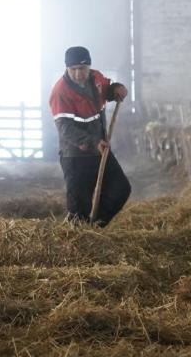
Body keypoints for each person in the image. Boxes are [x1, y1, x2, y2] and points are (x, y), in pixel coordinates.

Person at [49, 46, 131, 226]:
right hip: (76, 155)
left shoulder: (96, 78)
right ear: (67, 68)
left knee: (121, 189)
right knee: (79, 208)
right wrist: (93, 142)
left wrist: (117, 88)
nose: (79, 74)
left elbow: (108, 90)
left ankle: (96, 225)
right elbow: (65, 129)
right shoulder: (60, 92)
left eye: (83, 69)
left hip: (100, 149)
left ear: (89, 67)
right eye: (74, 69)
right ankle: (78, 239)